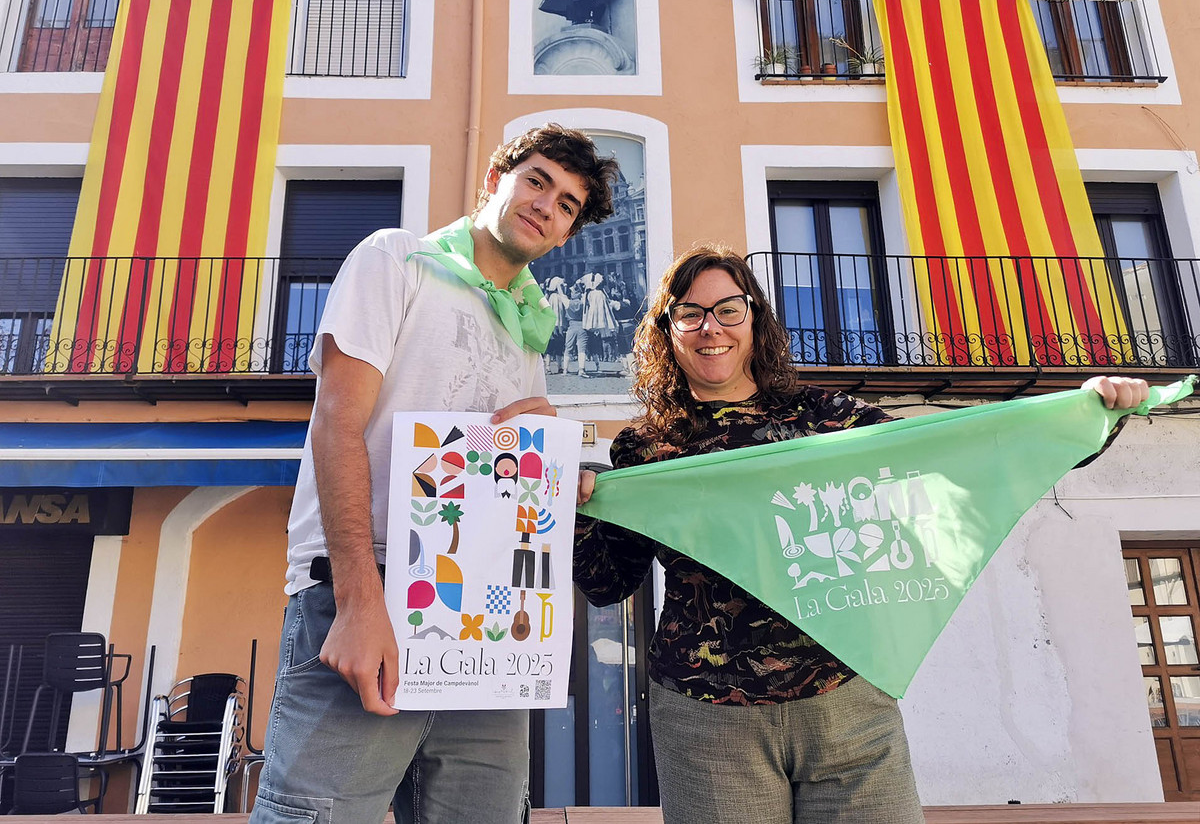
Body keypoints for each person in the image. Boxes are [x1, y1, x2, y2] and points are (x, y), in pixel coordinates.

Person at [572, 245, 1148, 824]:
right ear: (667, 330)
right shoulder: (644, 449)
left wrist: (1085, 419)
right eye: (689, 313)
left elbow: (947, 460)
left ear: (754, 318)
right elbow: (607, 585)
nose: (711, 328)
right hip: (708, 723)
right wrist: (580, 506)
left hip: (847, 708)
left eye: (728, 309)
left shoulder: (831, 419)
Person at [250, 123, 618, 824]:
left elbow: (504, 491)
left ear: (566, 234)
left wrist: (553, 468)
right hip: (370, 592)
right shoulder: (396, 259)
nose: (546, 205)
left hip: (485, 622)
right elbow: (336, 425)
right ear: (495, 180)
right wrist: (359, 602)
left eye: (567, 204)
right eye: (537, 181)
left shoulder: (528, 333)